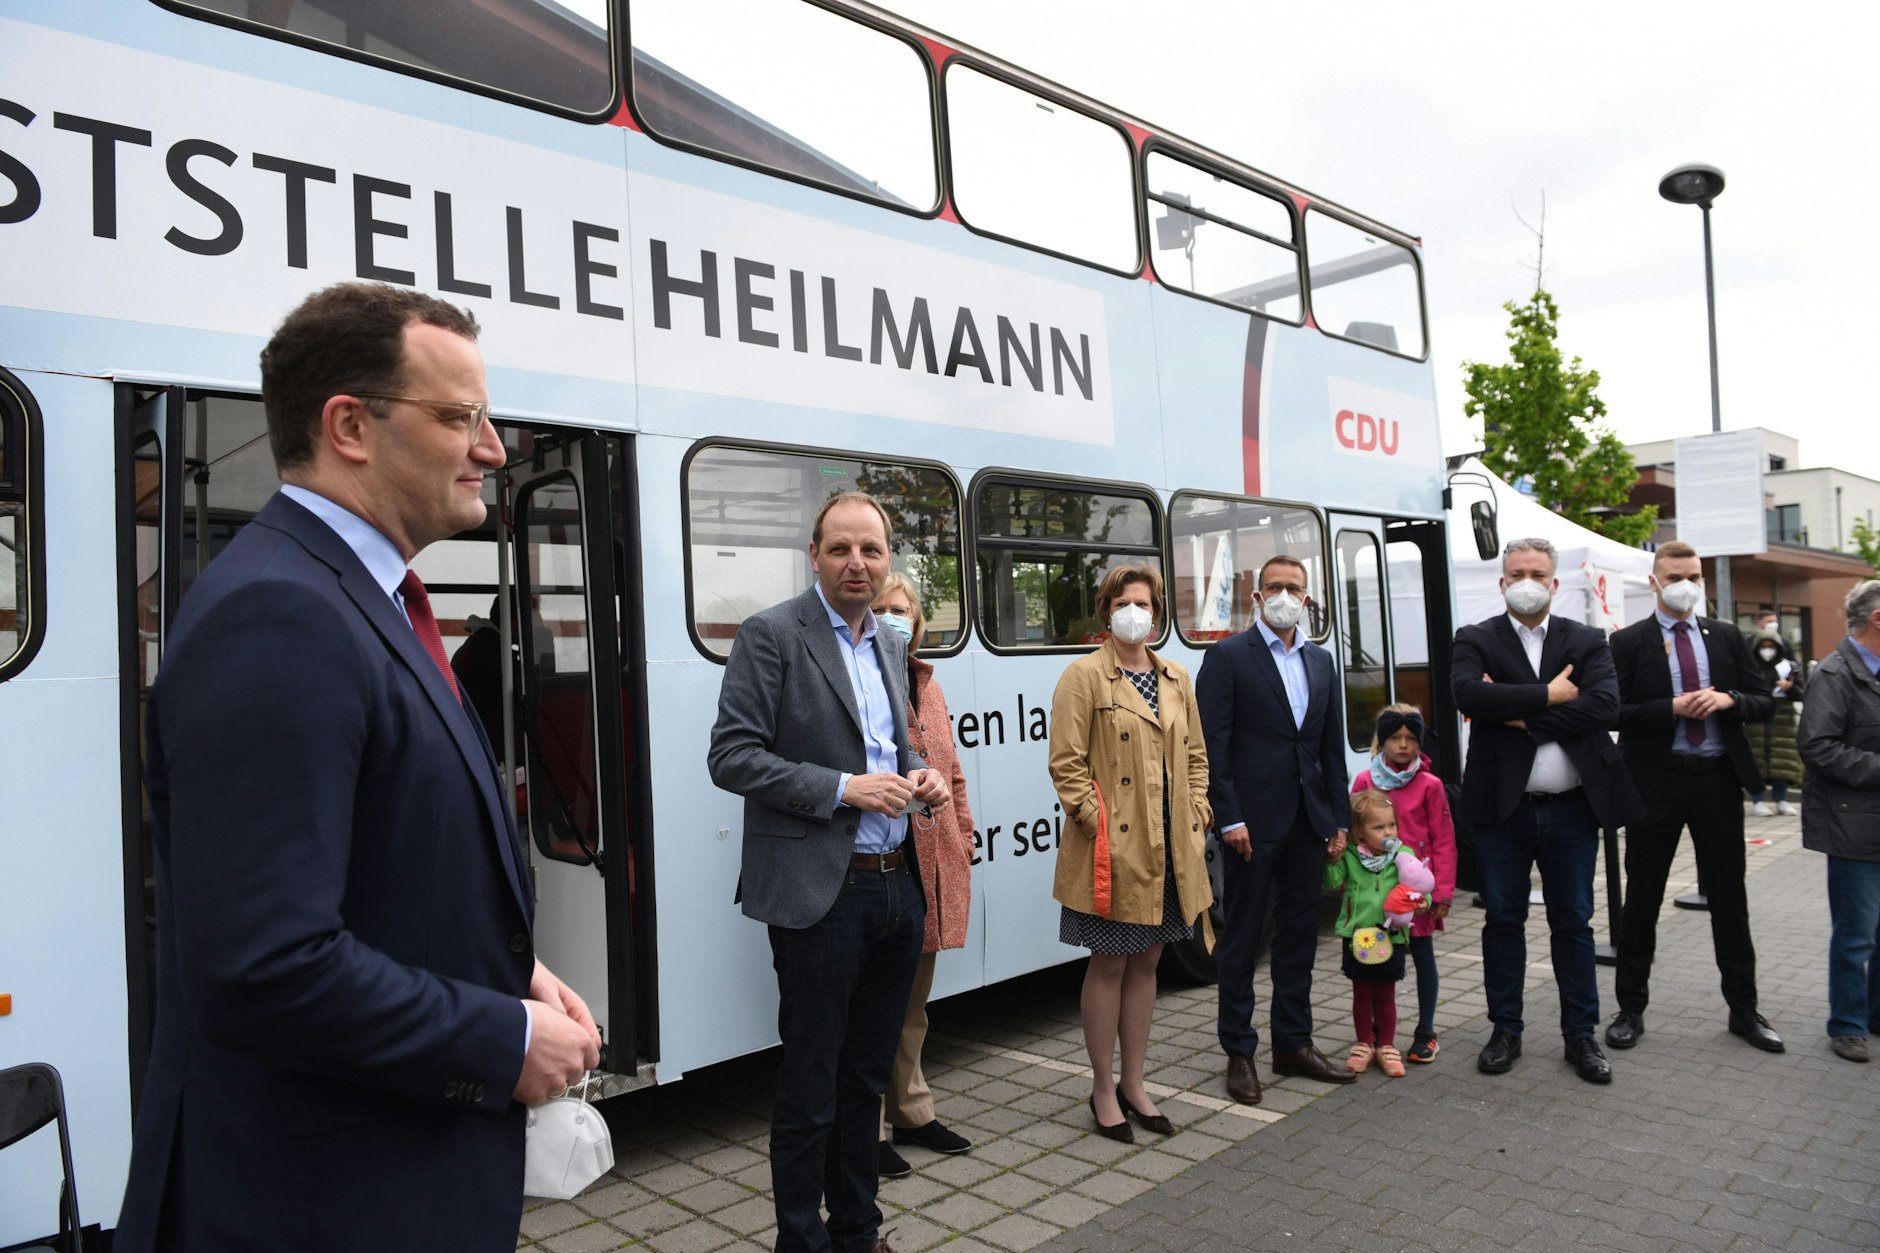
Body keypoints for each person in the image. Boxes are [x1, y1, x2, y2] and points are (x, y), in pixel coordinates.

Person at [115, 283, 601, 1252]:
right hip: (317, 1204)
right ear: (349, 424)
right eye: (461, 415)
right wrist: (499, 1038)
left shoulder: (353, 600)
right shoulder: (282, 615)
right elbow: (263, 965)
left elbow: (382, 858)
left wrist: (511, 970)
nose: (494, 446)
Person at [707, 491, 951, 1253]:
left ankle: (858, 1229)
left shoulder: (887, 641)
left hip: (895, 884)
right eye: (842, 548)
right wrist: (843, 789)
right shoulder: (772, 634)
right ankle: (798, 1239)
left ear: (887, 560)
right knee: (812, 1084)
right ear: (814, 553)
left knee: (865, 1079)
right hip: (823, 893)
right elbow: (731, 756)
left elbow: (891, 750)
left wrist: (923, 777)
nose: (857, 563)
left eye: (872, 551)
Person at [1452, 537, 1643, 1084]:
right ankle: (1505, 1030)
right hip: (1502, 812)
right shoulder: (1475, 638)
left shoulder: (1584, 639)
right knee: (1503, 920)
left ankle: (1579, 1036)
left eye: (1537, 572)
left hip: (1572, 811)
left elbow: (1604, 706)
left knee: (1573, 924)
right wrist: (1554, 696)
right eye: (1517, 572)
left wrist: (1518, 712)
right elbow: (1469, 697)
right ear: (1502, 582)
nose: (1527, 580)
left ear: (1555, 583)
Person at [1048, 565, 1212, 1142]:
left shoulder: (1176, 677)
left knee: (1149, 963)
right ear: (1107, 609)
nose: (1134, 612)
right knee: (1111, 963)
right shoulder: (1083, 676)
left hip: (1170, 852)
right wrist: (1100, 828)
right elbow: (1066, 767)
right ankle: (1101, 1087)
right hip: (1112, 853)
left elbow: (1195, 756)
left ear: (1157, 611)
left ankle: (1135, 1083)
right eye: (1124, 602)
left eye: (1144, 602)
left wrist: (1197, 813)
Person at [1605, 541, 1783, 1053]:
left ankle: (1744, 1010)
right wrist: (1671, 707)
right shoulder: (1629, 642)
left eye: (1694, 576)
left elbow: (1764, 701)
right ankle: (1629, 1010)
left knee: (1729, 898)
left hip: (1717, 781)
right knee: (1642, 898)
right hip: (1655, 784)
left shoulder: (1725, 637)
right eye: (1675, 575)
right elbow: (1613, 711)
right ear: (1654, 581)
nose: (1686, 584)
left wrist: (1729, 699)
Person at [1197, 554, 1356, 1105]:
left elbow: (1328, 749)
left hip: (1308, 824)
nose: (1286, 595)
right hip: (1251, 827)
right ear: (1256, 596)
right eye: (1275, 586)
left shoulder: (1321, 662)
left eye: (1295, 587)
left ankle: (1294, 1044)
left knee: (1298, 940)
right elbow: (1212, 746)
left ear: (1307, 599)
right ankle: (1239, 1053)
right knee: (1241, 942)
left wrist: (1338, 818)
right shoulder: (1227, 657)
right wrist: (1231, 815)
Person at [870, 573, 976, 1179]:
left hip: (931, 862)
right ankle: (870, 1129)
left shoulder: (927, 683)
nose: (891, 616)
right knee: (874, 1006)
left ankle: (911, 1111)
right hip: (880, 861)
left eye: (901, 608)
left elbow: (951, 771)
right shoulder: (856, 677)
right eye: (882, 607)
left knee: (913, 1002)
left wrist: (961, 836)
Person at [1796, 579, 1880, 1064]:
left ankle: (1874, 1015)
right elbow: (1819, 748)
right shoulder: (1834, 673)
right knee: (1856, 935)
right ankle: (1847, 1024)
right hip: (1853, 827)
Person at [1349, 703, 1456, 1063]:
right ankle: (1376, 1032)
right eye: (1395, 737)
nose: (1404, 745)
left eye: (1411, 738)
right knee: (1375, 962)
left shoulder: (1431, 785)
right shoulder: (1365, 782)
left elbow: (1443, 840)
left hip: (1416, 895)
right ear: (1382, 741)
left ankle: (1426, 1031)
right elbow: (1353, 835)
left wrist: (1442, 891)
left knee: (1424, 958)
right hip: (1376, 896)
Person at [1324, 790, 1427, 1078]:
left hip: (1391, 937)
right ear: (1359, 833)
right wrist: (1332, 859)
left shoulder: (1403, 857)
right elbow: (1332, 881)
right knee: (1361, 993)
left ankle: (1387, 1046)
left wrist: (1422, 903)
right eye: (1379, 827)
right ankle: (1364, 1044)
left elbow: (1419, 886)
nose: (1388, 832)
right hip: (1358, 936)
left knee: (1386, 994)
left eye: (1391, 825)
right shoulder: (1351, 856)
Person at [1746, 612, 1806, 817]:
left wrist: (1789, 688)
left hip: (1782, 719)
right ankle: (1758, 801)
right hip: (1756, 721)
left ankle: (1782, 799)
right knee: (1756, 761)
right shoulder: (1751, 667)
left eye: (1772, 646)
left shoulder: (1788, 667)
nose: (1768, 650)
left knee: (1782, 760)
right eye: (1764, 646)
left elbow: (1801, 693)